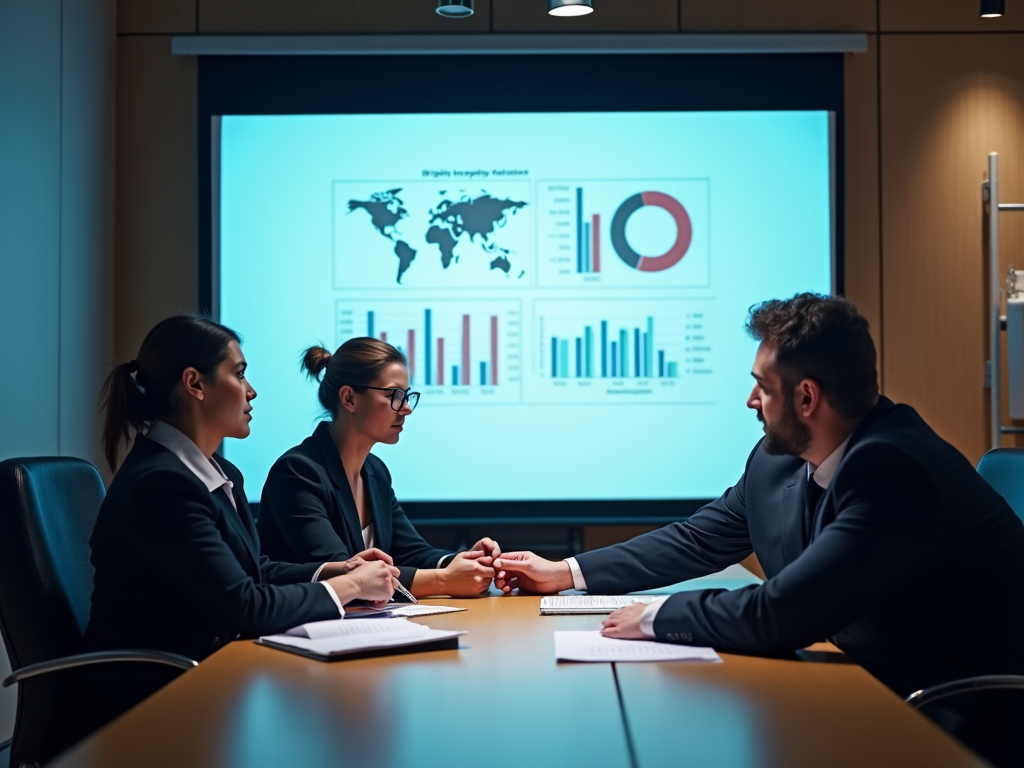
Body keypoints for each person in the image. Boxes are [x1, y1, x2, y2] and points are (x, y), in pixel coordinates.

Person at [494, 294, 1024, 764]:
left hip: (949, 715)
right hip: (855, 687)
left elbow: (782, 612)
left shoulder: (895, 469)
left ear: (807, 398)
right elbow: (700, 537)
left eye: (762, 388)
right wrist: (565, 571)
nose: (751, 403)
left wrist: (655, 617)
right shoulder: (782, 460)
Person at [74, 316, 399, 751]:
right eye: (240, 374)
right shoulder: (161, 485)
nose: (251, 391)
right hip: (152, 702)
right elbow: (244, 605)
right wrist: (351, 585)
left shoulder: (220, 474)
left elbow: (253, 571)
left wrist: (333, 570)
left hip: (206, 677)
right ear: (195, 383)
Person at [258, 338, 499, 597]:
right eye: (394, 395)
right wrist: (443, 581)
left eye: (407, 396)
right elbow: (349, 576)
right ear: (349, 399)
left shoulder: (375, 471)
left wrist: (464, 561)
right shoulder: (297, 472)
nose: (406, 408)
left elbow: (412, 551)